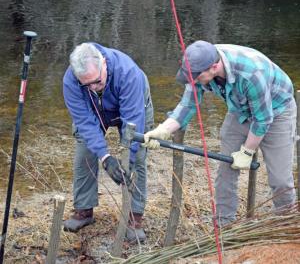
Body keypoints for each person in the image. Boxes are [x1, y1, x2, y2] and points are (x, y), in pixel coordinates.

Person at [143, 40, 297, 226]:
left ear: (214, 67)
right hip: (240, 109)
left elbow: (263, 119)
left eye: (197, 77)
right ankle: (225, 225)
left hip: (277, 109)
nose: (194, 81)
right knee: (226, 169)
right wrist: (162, 130)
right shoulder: (199, 65)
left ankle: (286, 223)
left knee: (280, 179)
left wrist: (247, 151)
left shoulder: (252, 73)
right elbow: (188, 105)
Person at [63, 42, 154, 242]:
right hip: (95, 110)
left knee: (136, 158)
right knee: (84, 152)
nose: (93, 88)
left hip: (133, 106)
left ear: (104, 63)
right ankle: (84, 210)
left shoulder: (128, 73)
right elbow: (85, 123)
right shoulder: (71, 81)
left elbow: (133, 123)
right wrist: (105, 157)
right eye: (86, 85)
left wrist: (125, 160)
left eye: (96, 81)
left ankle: (134, 216)